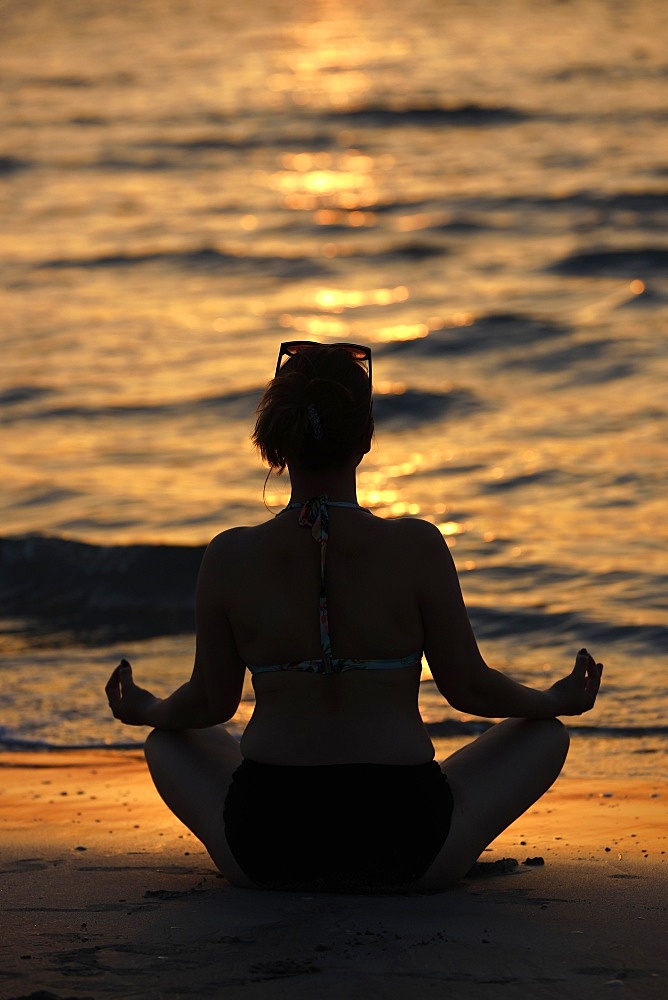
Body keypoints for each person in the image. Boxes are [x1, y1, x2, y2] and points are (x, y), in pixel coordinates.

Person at [105, 340, 603, 893]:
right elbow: (468, 688)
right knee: (547, 736)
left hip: (268, 846)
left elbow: (209, 704)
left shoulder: (230, 556)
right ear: (365, 438)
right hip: (406, 846)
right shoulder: (417, 546)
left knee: (166, 740)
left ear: (276, 442)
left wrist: (145, 707)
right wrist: (553, 701)